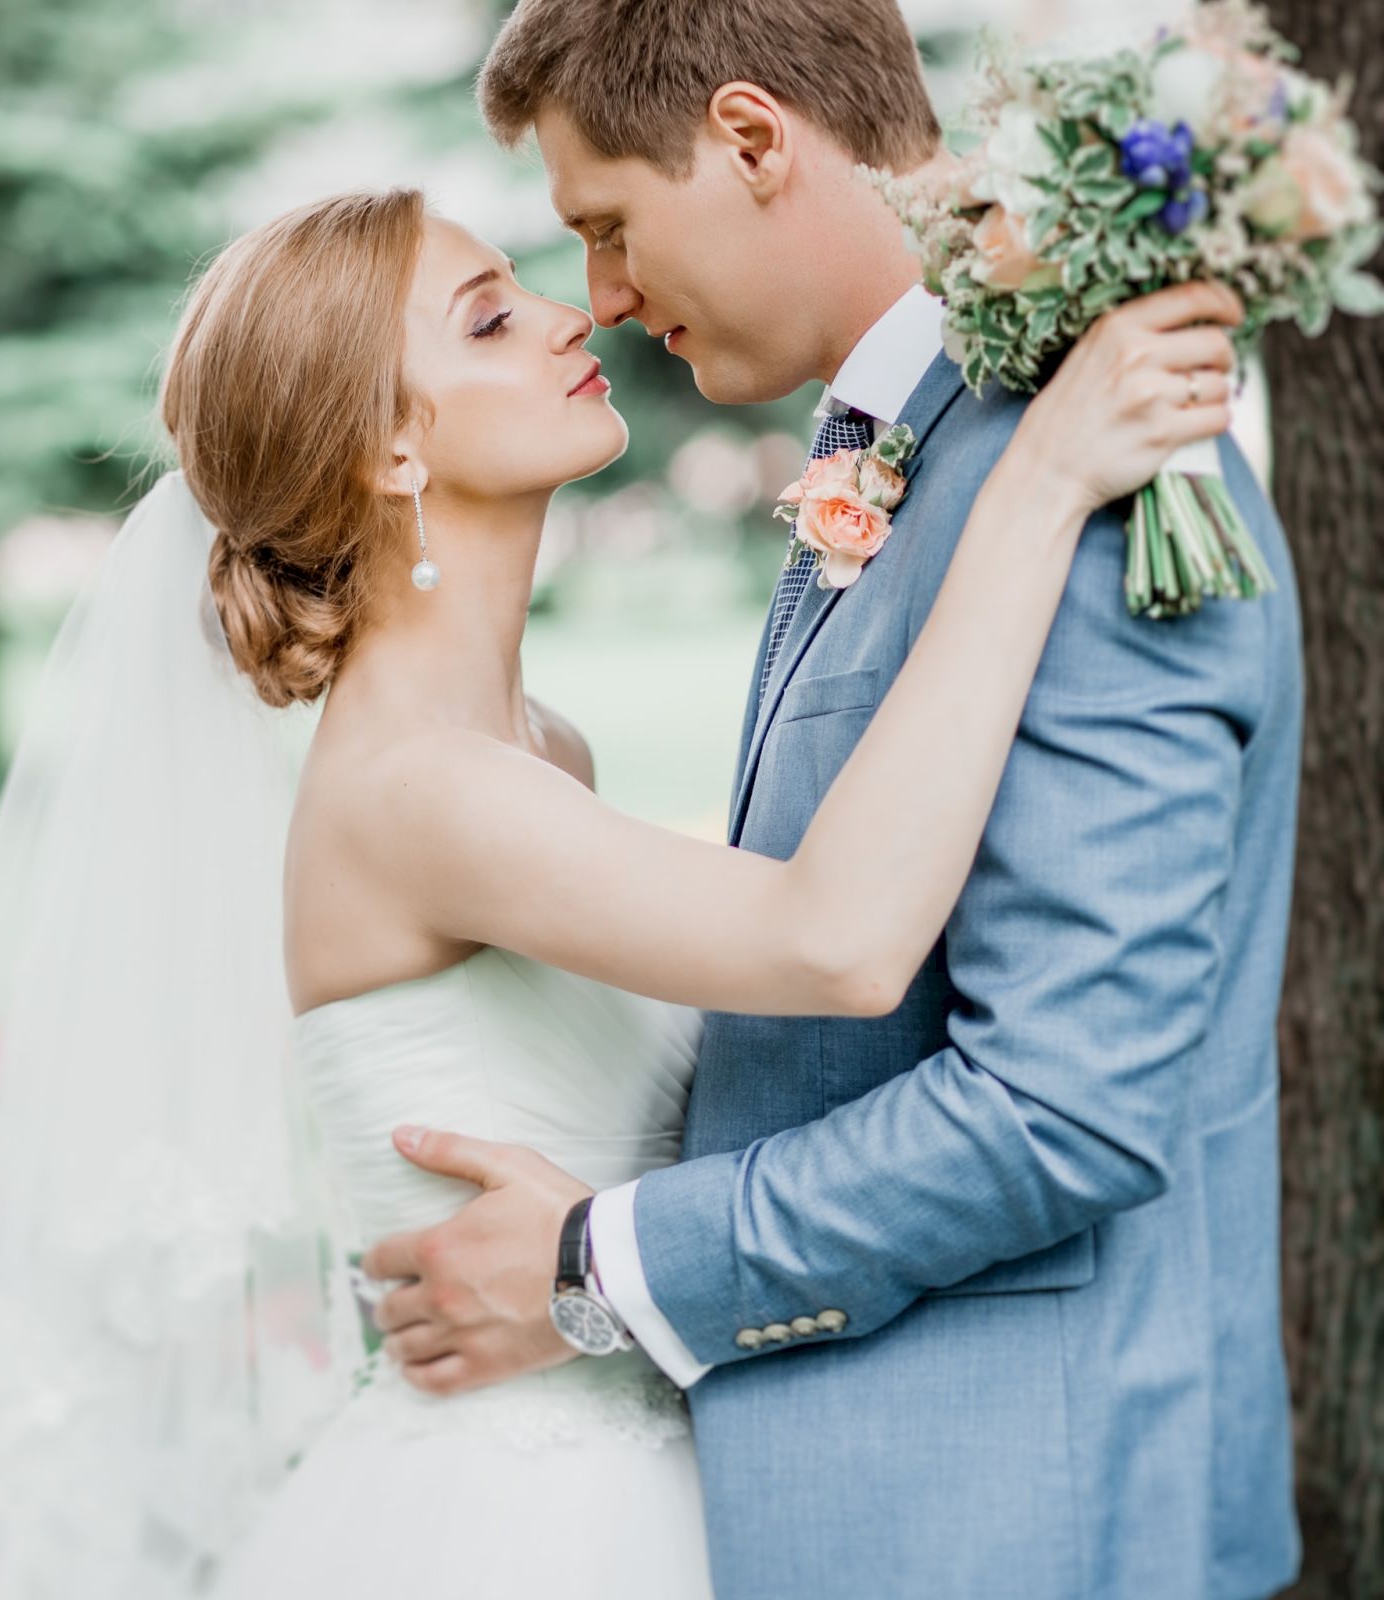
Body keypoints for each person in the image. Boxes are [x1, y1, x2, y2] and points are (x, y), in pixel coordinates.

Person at [351, 2, 1307, 1597]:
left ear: (747, 140)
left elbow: (1061, 1103)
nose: (600, 297)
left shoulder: (1099, 458)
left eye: (606, 227)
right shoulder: (953, 446)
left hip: (1028, 1524)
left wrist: (604, 1264)